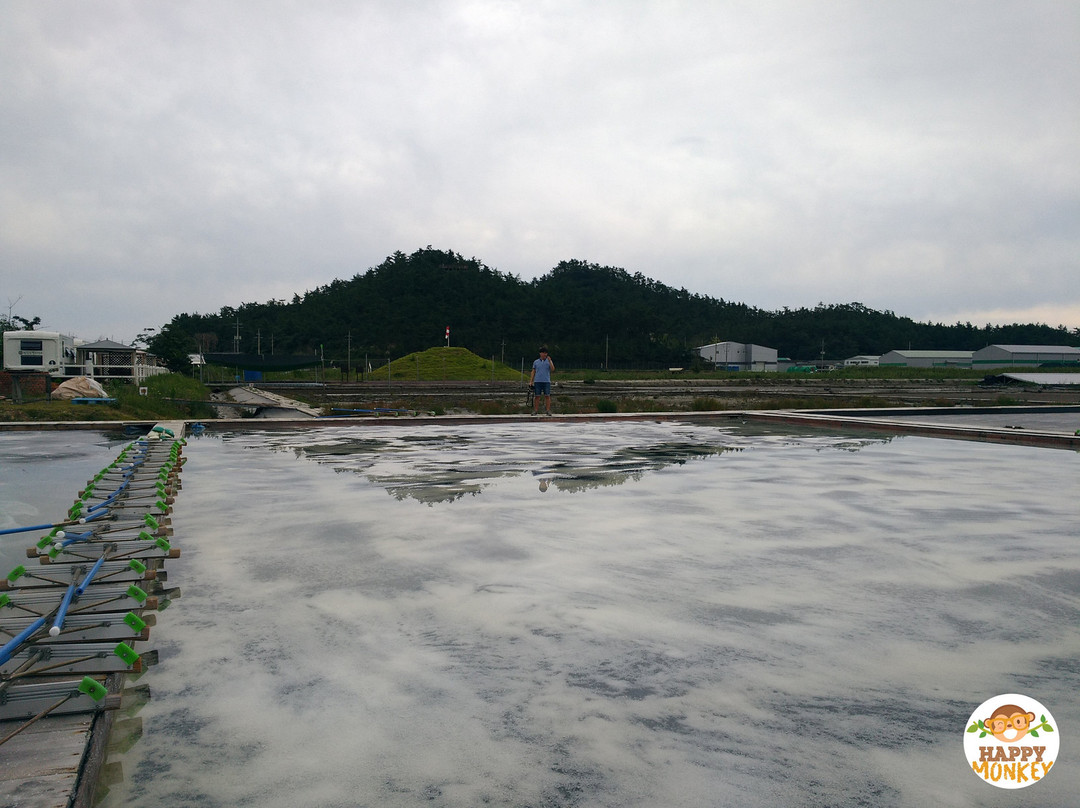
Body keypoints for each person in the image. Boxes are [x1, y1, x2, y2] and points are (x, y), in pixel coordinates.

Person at [529, 346, 554, 415]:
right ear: (540, 353)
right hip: (537, 381)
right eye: (543, 353)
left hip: (546, 381)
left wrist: (550, 361)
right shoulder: (536, 362)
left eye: (546, 353)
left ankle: (548, 410)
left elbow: (552, 369)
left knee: (547, 396)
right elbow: (533, 371)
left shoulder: (549, 361)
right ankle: (535, 410)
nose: (545, 354)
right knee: (537, 396)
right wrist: (531, 381)